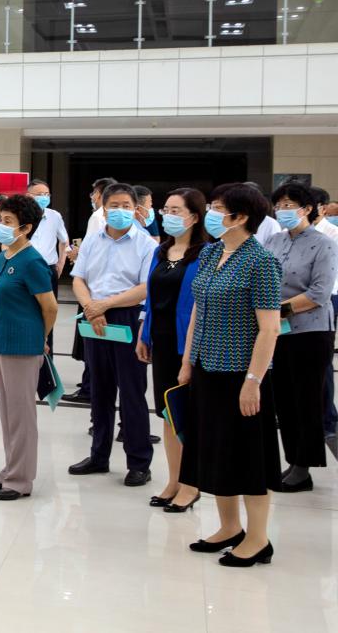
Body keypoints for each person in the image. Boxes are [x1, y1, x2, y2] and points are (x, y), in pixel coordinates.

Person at [180, 183, 282, 567]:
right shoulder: (211, 252)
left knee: (248, 457)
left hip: (241, 374)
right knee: (216, 452)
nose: (212, 213)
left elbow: (269, 329)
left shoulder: (261, 262)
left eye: (218, 208)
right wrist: (188, 360)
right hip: (207, 367)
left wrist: (253, 382)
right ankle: (229, 527)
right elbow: (198, 309)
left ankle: (257, 538)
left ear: (240, 217)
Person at [68, 183, 158, 486]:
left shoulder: (146, 244)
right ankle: (98, 456)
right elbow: (78, 279)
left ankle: (139, 462)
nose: (120, 211)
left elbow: (145, 288)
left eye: (126, 205)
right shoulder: (93, 240)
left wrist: (103, 305)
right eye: (114, 206)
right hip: (94, 317)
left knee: (132, 393)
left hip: (126, 317)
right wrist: (91, 307)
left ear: (136, 209)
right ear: (103, 209)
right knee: (100, 391)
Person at [0, 195, 58, 501]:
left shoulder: (32, 261)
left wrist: (41, 338)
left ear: (26, 228)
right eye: (1, 220)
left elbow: (50, 307)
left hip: (23, 346)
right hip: (0, 342)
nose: (1, 226)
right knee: (8, 413)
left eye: (8, 221)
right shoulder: (4, 257)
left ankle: (20, 479)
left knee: (21, 415)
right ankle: (10, 470)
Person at [263, 182, 338, 492]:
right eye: (279, 205)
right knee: (284, 400)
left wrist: (276, 309)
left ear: (307, 209)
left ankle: (304, 468)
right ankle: (292, 459)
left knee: (307, 400)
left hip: (311, 331)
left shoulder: (324, 244)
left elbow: (319, 293)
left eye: (289, 205)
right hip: (276, 331)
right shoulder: (274, 240)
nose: (282, 210)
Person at [136, 188, 208, 512]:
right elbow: (152, 298)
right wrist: (144, 333)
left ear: (195, 216)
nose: (168, 216)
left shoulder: (206, 253)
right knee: (168, 413)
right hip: (162, 341)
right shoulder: (161, 251)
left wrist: (190, 356)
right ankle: (174, 480)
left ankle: (192, 485)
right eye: (166, 209)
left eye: (176, 210)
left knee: (188, 415)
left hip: (188, 344)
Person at [64, 177, 118, 404]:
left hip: (94, 290)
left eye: (94, 192)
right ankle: (91, 384)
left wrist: (77, 255)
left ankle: (89, 387)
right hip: (101, 290)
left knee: (92, 338)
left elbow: (91, 252)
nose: (92, 197)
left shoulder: (98, 217)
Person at [308, 187, 338, 460]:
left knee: (322, 364)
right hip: (287, 311)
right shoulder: (283, 237)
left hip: (327, 300)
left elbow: (321, 289)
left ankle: (328, 420)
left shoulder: (331, 235)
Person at [26, 180, 69, 347]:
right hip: (26, 268)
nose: (44, 197)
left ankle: (46, 352)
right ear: (28, 196)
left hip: (47, 269)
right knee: (28, 310)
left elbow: (64, 241)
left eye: (46, 194)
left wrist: (61, 263)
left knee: (48, 311)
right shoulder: (21, 215)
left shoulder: (54, 216)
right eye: (39, 194)